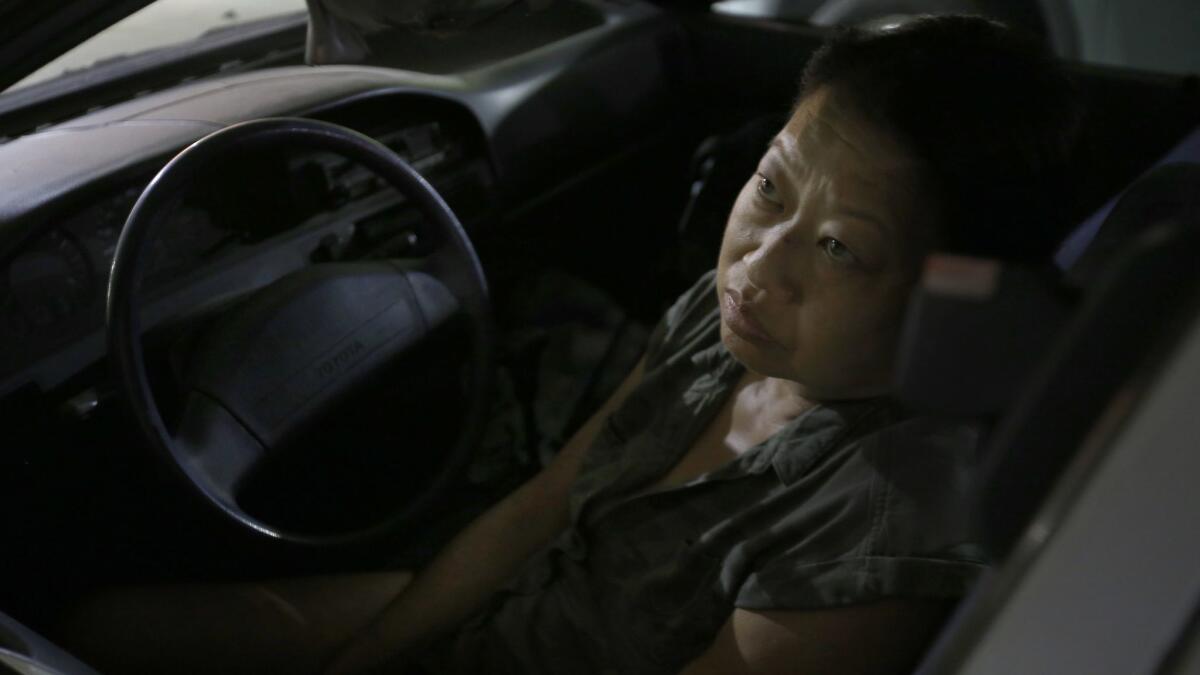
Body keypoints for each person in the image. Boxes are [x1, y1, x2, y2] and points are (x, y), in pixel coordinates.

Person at [63, 14, 1082, 675]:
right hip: (522, 611)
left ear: (948, 288)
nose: (759, 267)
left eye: (838, 248)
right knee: (106, 630)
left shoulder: (879, 534)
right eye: (770, 186)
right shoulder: (735, 325)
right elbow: (543, 508)